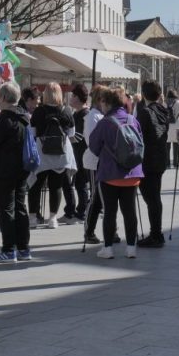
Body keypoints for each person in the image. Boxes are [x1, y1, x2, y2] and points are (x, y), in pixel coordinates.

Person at [87, 87, 144, 259]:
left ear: (108, 103)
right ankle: (131, 248)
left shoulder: (105, 122)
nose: (101, 105)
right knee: (130, 212)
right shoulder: (132, 119)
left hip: (110, 175)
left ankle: (108, 248)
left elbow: (93, 147)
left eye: (102, 102)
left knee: (110, 212)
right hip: (133, 173)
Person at [0, 82, 33, 263]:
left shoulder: (5, 118)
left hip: (3, 170)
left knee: (6, 209)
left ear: (3, 98)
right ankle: (23, 248)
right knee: (20, 207)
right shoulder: (24, 116)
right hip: (21, 169)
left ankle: (8, 249)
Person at [29, 83, 78, 228]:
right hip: (61, 154)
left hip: (41, 153)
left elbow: (32, 133)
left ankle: (32, 218)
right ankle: (53, 219)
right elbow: (72, 133)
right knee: (56, 186)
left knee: (35, 185)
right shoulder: (66, 111)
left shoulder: (39, 111)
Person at [135, 80, 172, 248]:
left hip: (147, 161)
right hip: (160, 159)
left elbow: (139, 137)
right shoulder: (163, 110)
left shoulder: (144, 112)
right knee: (155, 197)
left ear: (144, 94)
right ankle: (157, 232)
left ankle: (156, 234)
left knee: (151, 198)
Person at [80, 84, 108, 245]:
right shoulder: (93, 116)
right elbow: (92, 141)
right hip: (94, 161)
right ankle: (89, 230)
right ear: (100, 100)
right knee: (96, 197)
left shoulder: (101, 114)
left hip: (103, 161)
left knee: (103, 197)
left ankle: (110, 230)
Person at [68, 83, 92, 225]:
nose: (71, 98)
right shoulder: (76, 113)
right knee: (79, 183)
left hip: (83, 153)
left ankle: (83, 210)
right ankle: (83, 208)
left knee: (82, 183)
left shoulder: (84, 114)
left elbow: (80, 136)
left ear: (78, 97)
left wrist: (66, 137)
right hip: (77, 153)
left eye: (73, 95)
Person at [166, 89, 179, 168]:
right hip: (178, 126)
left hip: (168, 127)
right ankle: (176, 163)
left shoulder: (165, 103)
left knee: (167, 146)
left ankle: (167, 163)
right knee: (177, 146)